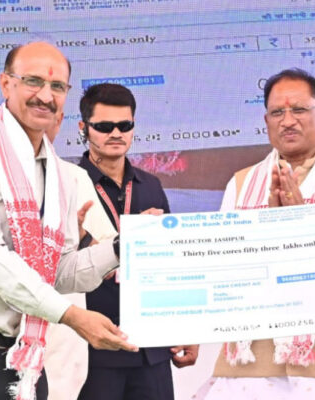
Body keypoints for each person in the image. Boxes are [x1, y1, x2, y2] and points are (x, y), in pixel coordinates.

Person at [0, 42, 137, 400]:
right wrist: (72, 316)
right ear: (5, 84)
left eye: (57, 86)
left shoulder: (60, 175)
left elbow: (57, 272)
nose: (45, 95)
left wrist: (125, 247)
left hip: (24, 359)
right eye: (33, 81)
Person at [195, 68, 315, 400]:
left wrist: (301, 224)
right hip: (251, 366)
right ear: (266, 121)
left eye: (299, 110)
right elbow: (223, 268)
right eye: (277, 112)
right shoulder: (241, 184)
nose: (288, 121)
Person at [75, 83, 198, 400]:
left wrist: (187, 327)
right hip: (94, 349)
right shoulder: (68, 185)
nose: (116, 133)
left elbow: (171, 263)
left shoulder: (150, 184)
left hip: (151, 349)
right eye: (104, 126)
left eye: (124, 125)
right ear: (83, 128)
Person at [42, 111, 118, 400]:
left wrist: (80, 237)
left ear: (59, 121)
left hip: (62, 327)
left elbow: (107, 256)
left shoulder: (73, 177)